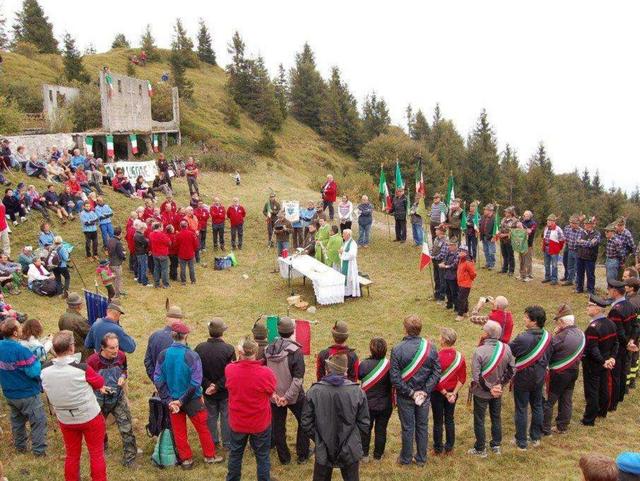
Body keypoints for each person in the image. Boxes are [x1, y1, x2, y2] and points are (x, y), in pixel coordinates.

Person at [154, 321, 222, 469]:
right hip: (192, 400)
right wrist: (182, 400)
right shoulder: (192, 355)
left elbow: (158, 379)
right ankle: (209, 456)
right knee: (203, 428)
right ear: (186, 336)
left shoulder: (163, 354)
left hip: (172, 401)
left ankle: (186, 460)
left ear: (172, 335)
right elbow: (196, 382)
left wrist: (169, 400)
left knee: (179, 431)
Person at [41, 330, 107, 481]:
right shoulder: (81, 369)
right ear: (71, 348)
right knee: (96, 453)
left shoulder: (44, 370)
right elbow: (100, 382)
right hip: (89, 416)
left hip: (65, 418)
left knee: (72, 455)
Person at [302, 353, 370, 481]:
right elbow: (365, 424)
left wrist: (318, 439)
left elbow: (306, 422)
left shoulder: (315, 391)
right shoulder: (357, 392)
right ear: (345, 371)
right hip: (343, 447)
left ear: (328, 369)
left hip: (331, 446)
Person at [390, 314, 441, 466]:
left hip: (406, 395)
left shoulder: (397, 349)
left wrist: (411, 392)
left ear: (405, 329)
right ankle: (421, 459)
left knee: (407, 428)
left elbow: (395, 378)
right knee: (422, 426)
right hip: (424, 396)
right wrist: (425, 391)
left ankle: (406, 459)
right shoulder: (431, 348)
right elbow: (436, 372)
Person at [225, 337, 277, 481]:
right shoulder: (265, 373)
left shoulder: (230, 369)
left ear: (240, 352)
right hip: (259, 423)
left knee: (235, 454)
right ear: (257, 352)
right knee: (262, 457)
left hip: (238, 422)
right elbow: (271, 389)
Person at [87, 333, 138, 467]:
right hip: (99, 399)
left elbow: (124, 370)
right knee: (99, 428)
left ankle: (130, 459)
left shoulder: (121, 356)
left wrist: (122, 376)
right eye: (111, 348)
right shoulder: (92, 361)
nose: (115, 350)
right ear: (102, 348)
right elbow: (86, 379)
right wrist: (99, 387)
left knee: (126, 427)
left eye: (116, 347)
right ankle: (103, 450)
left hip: (118, 397)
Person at [265, 317, 310, 465]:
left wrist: (275, 395)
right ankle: (302, 454)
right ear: (292, 331)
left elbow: (265, 375)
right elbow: (298, 379)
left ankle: (284, 458)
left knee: (278, 426)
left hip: (275, 396)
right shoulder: (296, 351)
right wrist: (287, 397)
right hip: (294, 395)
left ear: (278, 331)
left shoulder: (267, 349)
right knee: (304, 421)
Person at [467, 320, 515, 457]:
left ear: (487, 334)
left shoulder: (479, 351)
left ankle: (480, 448)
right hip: (498, 391)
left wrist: (490, 389)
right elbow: (512, 370)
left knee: (479, 419)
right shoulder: (506, 348)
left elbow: (477, 376)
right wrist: (500, 385)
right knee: (496, 417)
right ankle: (496, 445)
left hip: (482, 392)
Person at [0, 319, 48, 457]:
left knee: (17, 420)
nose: (22, 328)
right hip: (27, 393)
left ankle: (20, 446)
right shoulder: (22, 351)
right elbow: (34, 372)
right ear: (15, 332)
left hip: (9, 392)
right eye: (19, 326)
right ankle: (39, 451)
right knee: (38, 421)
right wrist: (37, 362)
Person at [508, 305, 551, 450]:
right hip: (539, 376)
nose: (524, 319)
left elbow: (510, 350)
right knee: (537, 405)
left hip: (523, 377)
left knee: (521, 408)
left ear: (534, 322)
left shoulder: (523, 337)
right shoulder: (547, 336)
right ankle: (535, 437)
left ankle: (521, 440)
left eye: (526, 317)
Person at [542, 304, 585, 436]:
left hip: (560, 373)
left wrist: (554, 334)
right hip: (573, 371)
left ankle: (545, 428)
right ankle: (562, 426)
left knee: (549, 402)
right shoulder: (580, 333)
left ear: (561, 322)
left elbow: (548, 349)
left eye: (557, 321)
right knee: (566, 399)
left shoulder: (561, 336)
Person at [195, 318, 236, 450]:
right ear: (222, 333)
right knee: (226, 416)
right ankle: (228, 443)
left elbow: (197, 371)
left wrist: (209, 386)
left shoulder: (199, 348)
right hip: (224, 391)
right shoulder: (229, 349)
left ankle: (213, 441)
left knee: (211, 416)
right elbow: (231, 372)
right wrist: (217, 386)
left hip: (207, 391)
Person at [581, 294, 618, 426]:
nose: (587, 308)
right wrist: (611, 358)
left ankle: (589, 419)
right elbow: (616, 343)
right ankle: (602, 411)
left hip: (593, 363)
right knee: (603, 388)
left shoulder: (593, 327)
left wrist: (603, 361)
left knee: (592, 391)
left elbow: (593, 349)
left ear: (597, 309)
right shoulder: (611, 323)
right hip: (605, 361)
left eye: (590, 306)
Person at [431, 328, 466, 455]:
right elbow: (462, 378)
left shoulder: (436, 356)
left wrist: (445, 392)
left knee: (438, 420)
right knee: (450, 419)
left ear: (444, 340)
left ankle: (438, 448)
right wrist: (454, 393)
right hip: (453, 393)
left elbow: (434, 379)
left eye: (440, 336)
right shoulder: (460, 357)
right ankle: (449, 447)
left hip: (438, 393)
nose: (439, 338)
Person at [606, 278, 638, 410]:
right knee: (623, 371)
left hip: (619, 346)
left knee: (615, 375)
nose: (608, 291)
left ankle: (612, 403)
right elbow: (636, 325)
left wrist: (627, 343)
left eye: (609, 289)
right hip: (627, 344)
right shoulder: (630, 305)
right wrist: (632, 340)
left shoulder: (615, 310)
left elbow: (618, 332)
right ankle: (619, 397)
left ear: (614, 291)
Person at [358, 337, 392, 462]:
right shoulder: (390, 365)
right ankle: (378, 456)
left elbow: (359, 375)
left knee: (365, 429)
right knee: (381, 430)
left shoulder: (364, 364)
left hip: (368, 404)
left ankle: (364, 455)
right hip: (385, 404)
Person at [144, 305, 184, 380]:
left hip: (158, 385)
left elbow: (147, 361)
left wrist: (156, 380)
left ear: (167, 318)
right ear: (180, 321)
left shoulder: (154, 336)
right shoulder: (181, 340)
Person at [59, 292, 92, 361]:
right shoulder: (79, 320)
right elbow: (90, 334)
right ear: (78, 305)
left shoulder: (62, 317)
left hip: (67, 349)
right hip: (80, 353)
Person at [575, 217, 601, 294]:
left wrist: (582, 241)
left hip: (590, 258)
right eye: (585, 224)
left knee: (590, 275)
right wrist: (586, 242)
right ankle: (579, 289)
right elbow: (577, 241)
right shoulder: (580, 232)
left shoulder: (597, 234)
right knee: (579, 273)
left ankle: (590, 290)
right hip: (580, 256)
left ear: (592, 225)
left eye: (589, 224)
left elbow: (592, 244)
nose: (587, 225)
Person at [542, 214, 565, 285]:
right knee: (546, 264)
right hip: (546, 249)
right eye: (547, 220)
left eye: (550, 220)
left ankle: (554, 279)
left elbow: (562, 240)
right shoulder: (546, 228)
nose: (548, 221)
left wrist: (558, 248)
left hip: (554, 250)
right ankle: (547, 277)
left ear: (554, 221)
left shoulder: (558, 229)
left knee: (554, 265)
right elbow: (544, 237)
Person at [455, 245, 476, 321]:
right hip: (461, 282)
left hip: (465, 283)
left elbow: (473, 273)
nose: (460, 252)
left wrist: (468, 279)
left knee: (461, 299)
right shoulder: (461, 259)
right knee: (464, 298)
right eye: (459, 250)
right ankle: (466, 311)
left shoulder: (468, 261)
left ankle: (460, 315)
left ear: (466, 252)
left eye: (462, 251)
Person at [176, 220, 199, 285]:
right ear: (187, 226)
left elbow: (176, 245)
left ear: (180, 226)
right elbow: (196, 244)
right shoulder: (192, 233)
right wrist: (193, 250)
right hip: (190, 253)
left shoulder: (178, 234)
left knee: (182, 268)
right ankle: (193, 281)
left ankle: (183, 281)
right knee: (191, 268)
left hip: (181, 254)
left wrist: (178, 251)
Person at [149, 222, 171, 289]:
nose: (163, 228)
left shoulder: (151, 234)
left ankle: (157, 284)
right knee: (164, 269)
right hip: (163, 254)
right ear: (159, 227)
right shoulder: (162, 235)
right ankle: (165, 284)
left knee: (156, 269)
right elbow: (169, 243)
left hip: (155, 254)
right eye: (162, 227)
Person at [496, 206, 517, 275]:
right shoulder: (503, 219)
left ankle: (511, 270)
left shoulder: (515, 220)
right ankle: (504, 269)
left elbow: (514, 231)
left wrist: (505, 235)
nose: (505, 213)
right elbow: (500, 227)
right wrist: (498, 232)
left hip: (509, 240)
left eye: (506, 212)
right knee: (504, 255)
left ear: (510, 213)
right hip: (502, 240)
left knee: (510, 255)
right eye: (505, 211)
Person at [340, 229, 360, 298]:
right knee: (345, 278)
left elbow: (352, 255)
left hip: (350, 265)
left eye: (344, 234)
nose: (342, 235)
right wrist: (340, 252)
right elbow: (342, 250)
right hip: (345, 263)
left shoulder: (352, 243)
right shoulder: (346, 242)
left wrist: (343, 253)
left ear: (348, 235)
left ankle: (350, 293)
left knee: (349, 278)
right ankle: (345, 292)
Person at [106, 227, 126, 297]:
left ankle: (117, 291)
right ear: (120, 234)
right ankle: (117, 294)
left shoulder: (110, 240)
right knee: (118, 279)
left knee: (114, 279)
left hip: (111, 262)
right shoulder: (118, 243)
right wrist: (124, 256)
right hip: (116, 264)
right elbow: (120, 254)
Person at [440, 239, 459, 311]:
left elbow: (455, 264)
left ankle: (456, 307)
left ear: (454, 246)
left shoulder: (457, 254)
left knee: (454, 292)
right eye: (448, 245)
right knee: (447, 291)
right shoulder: (448, 252)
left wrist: (447, 266)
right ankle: (449, 304)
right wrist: (443, 263)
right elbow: (445, 259)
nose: (448, 247)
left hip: (453, 276)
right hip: (447, 275)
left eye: (450, 245)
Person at [431, 227, 448, 302]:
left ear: (441, 231)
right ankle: (436, 294)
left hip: (441, 262)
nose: (435, 231)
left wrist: (434, 257)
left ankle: (442, 296)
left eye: (437, 230)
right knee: (436, 278)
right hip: (435, 261)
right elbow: (433, 248)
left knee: (442, 279)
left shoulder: (445, 241)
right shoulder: (436, 239)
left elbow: (443, 254)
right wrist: (429, 253)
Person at [479, 204, 496, 269]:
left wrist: (494, 237)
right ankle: (488, 263)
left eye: (485, 210)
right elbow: (480, 224)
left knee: (491, 251)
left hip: (491, 237)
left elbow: (496, 229)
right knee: (486, 250)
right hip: (483, 237)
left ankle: (492, 264)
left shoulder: (494, 218)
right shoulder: (483, 217)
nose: (484, 211)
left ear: (490, 211)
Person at [133, 220, 149, 286]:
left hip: (138, 252)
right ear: (142, 228)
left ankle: (140, 280)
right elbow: (146, 243)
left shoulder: (136, 234)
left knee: (139, 267)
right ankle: (144, 282)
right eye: (145, 229)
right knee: (144, 267)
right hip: (142, 253)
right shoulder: (140, 235)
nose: (145, 231)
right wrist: (147, 240)